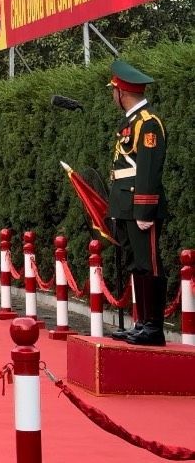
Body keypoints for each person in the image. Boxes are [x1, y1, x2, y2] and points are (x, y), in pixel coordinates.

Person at [105, 60, 168, 347]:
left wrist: (144, 209)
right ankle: (142, 322)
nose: (112, 96)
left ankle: (154, 328)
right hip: (125, 205)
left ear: (122, 93)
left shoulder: (148, 123)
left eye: (113, 91)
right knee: (136, 264)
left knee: (149, 264)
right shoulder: (130, 122)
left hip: (140, 206)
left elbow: (149, 168)